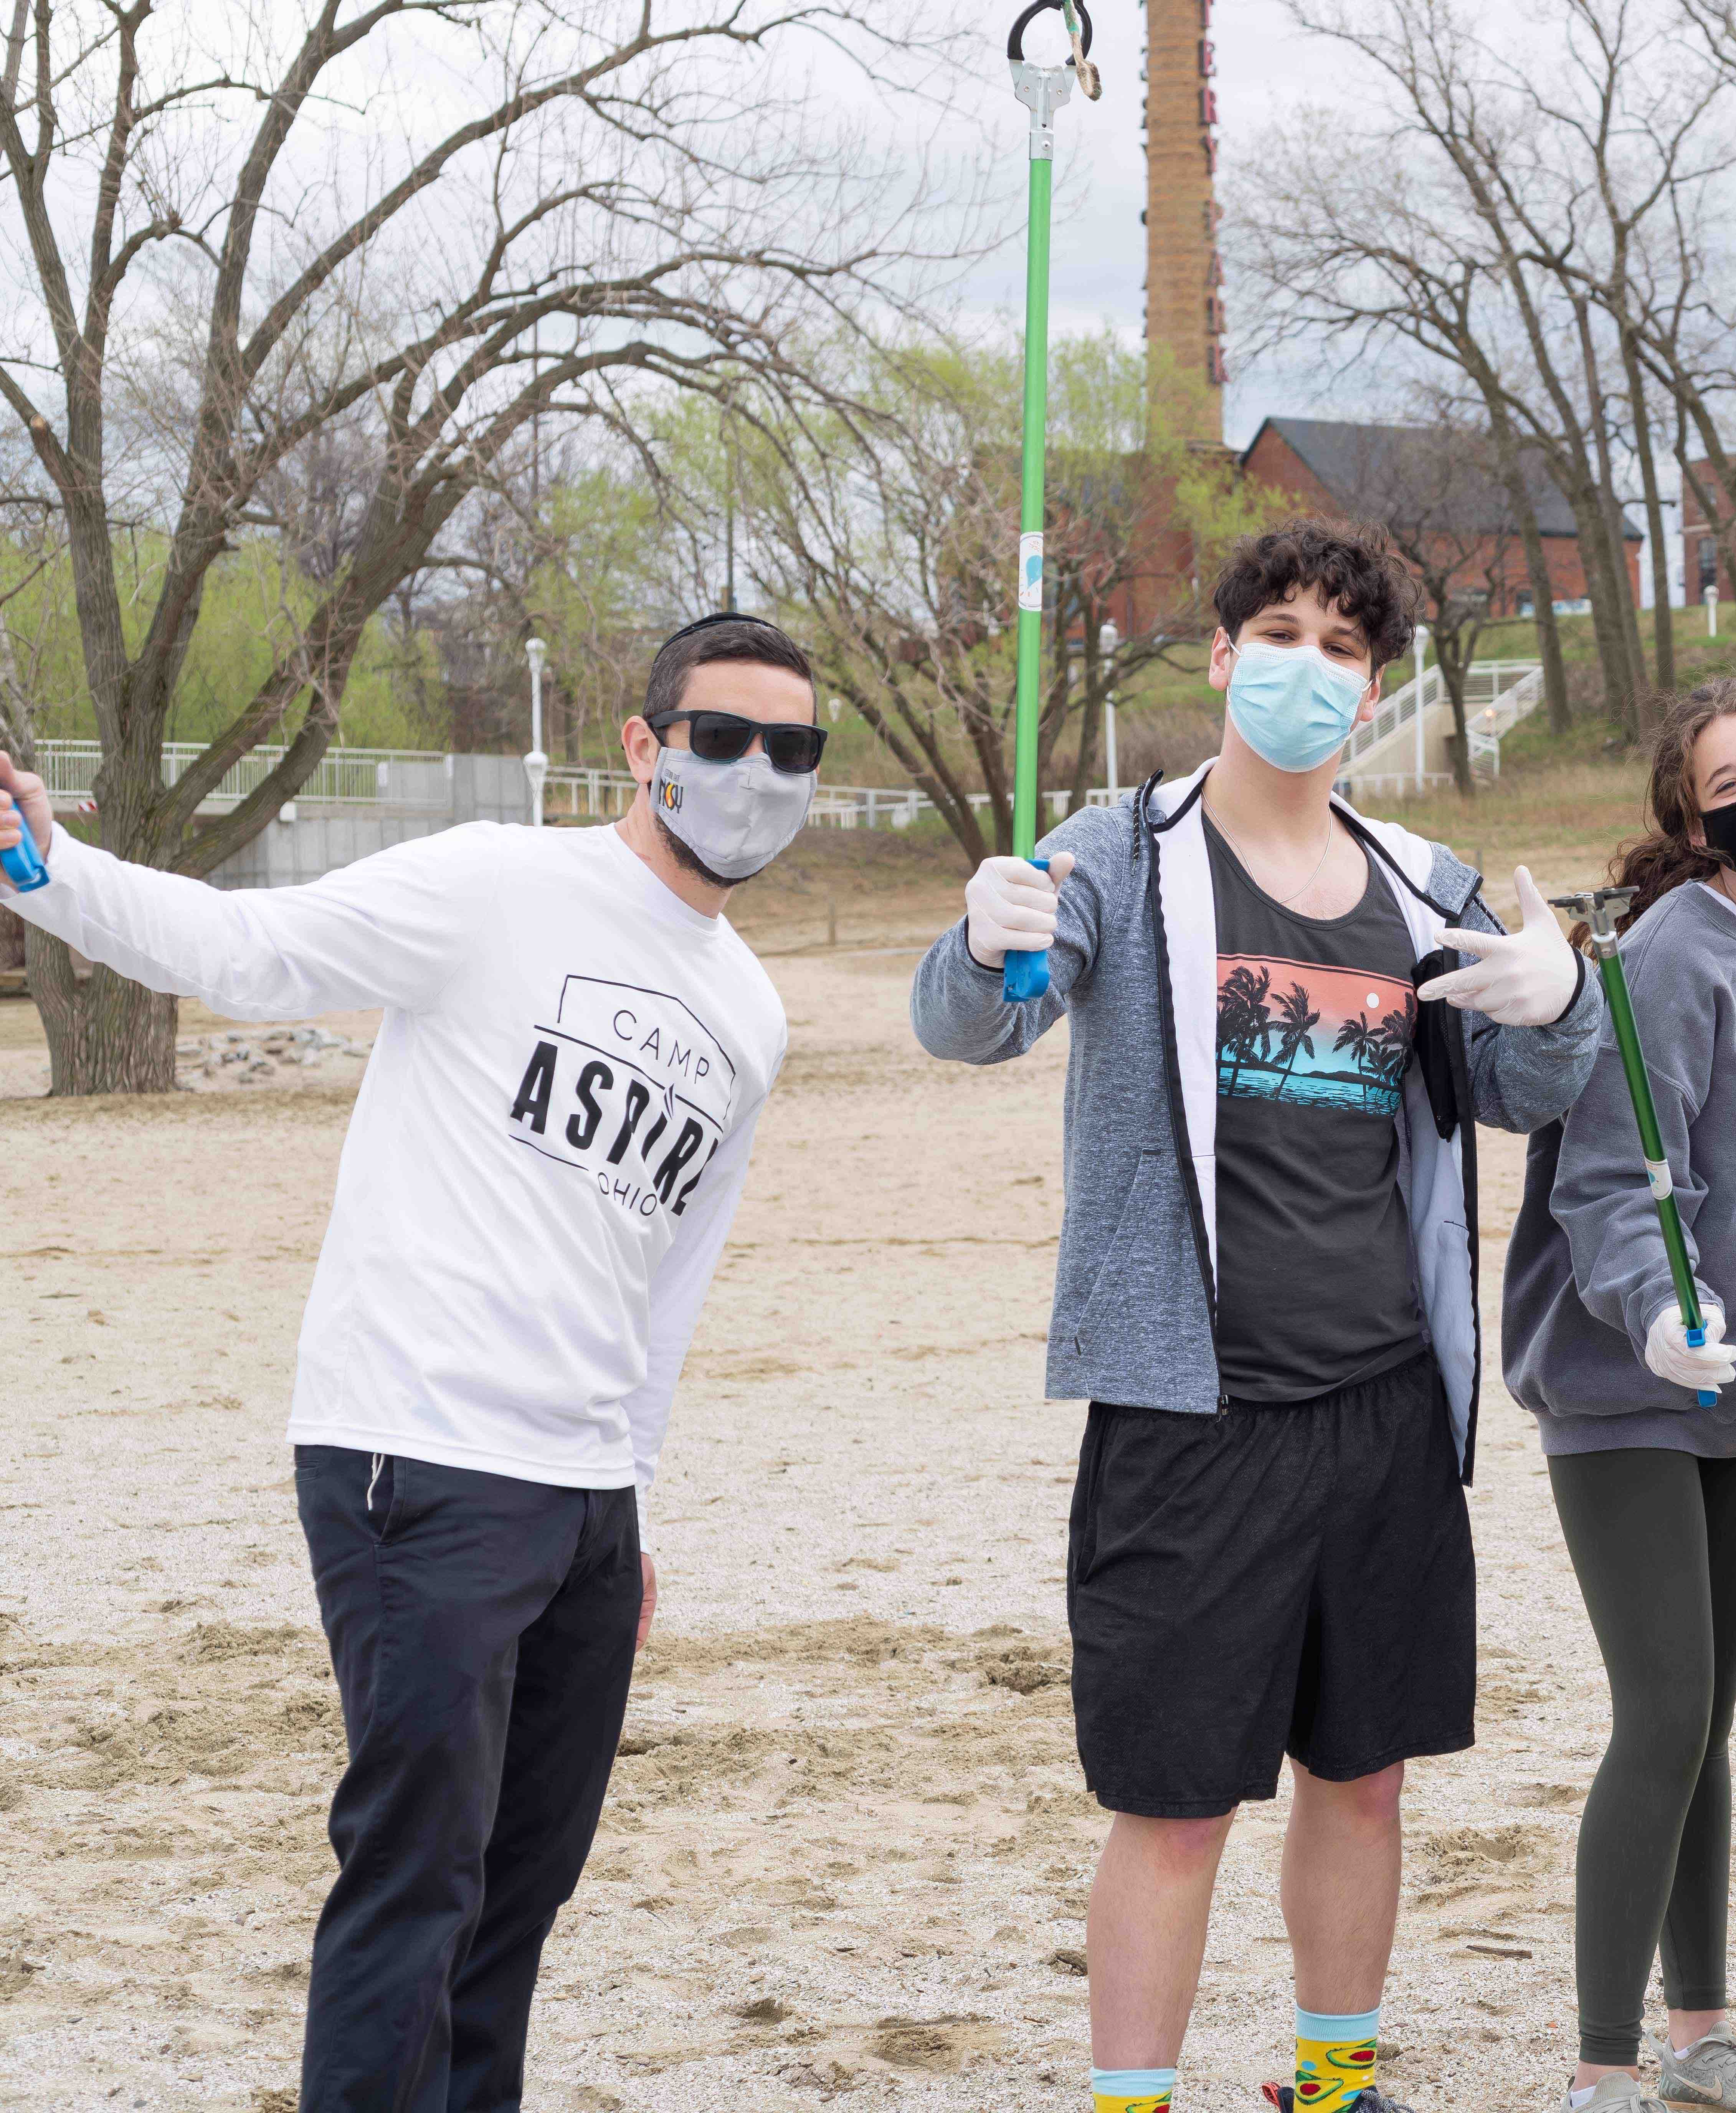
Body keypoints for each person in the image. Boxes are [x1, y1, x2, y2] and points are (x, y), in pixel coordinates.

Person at [0, 613, 814, 2110]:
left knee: (519, 1896)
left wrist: (628, 1505)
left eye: (793, 750)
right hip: (418, 1458)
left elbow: (667, 1279)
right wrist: (46, 870)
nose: (756, 772)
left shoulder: (752, 1014)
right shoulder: (502, 883)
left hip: (584, 1504)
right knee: (416, 1877)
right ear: (645, 746)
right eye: (722, 737)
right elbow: (253, 951)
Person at [907, 520, 1604, 2113]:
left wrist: (1559, 1004)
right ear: (1222, 658)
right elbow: (975, 1023)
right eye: (1278, 632)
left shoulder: (1427, 886)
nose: (1309, 665)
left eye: (1344, 647)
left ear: (1375, 688)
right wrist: (986, 938)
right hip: (1188, 1410)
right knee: (1173, 1803)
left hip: (1385, 1409)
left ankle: (1332, 2080)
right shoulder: (1118, 852)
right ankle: (1131, 2095)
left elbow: (1514, 1088)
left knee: (1362, 1782)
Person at [1502, 676, 1736, 2113]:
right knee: (1659, 1709)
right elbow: (1609, 1178)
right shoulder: (1662, 957)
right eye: (1728, 781)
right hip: (1627, 1378)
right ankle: (1603, 2062)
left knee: (1709, 1713)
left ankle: (1700, 2031)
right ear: (1690, 820)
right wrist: (1656, 1308)